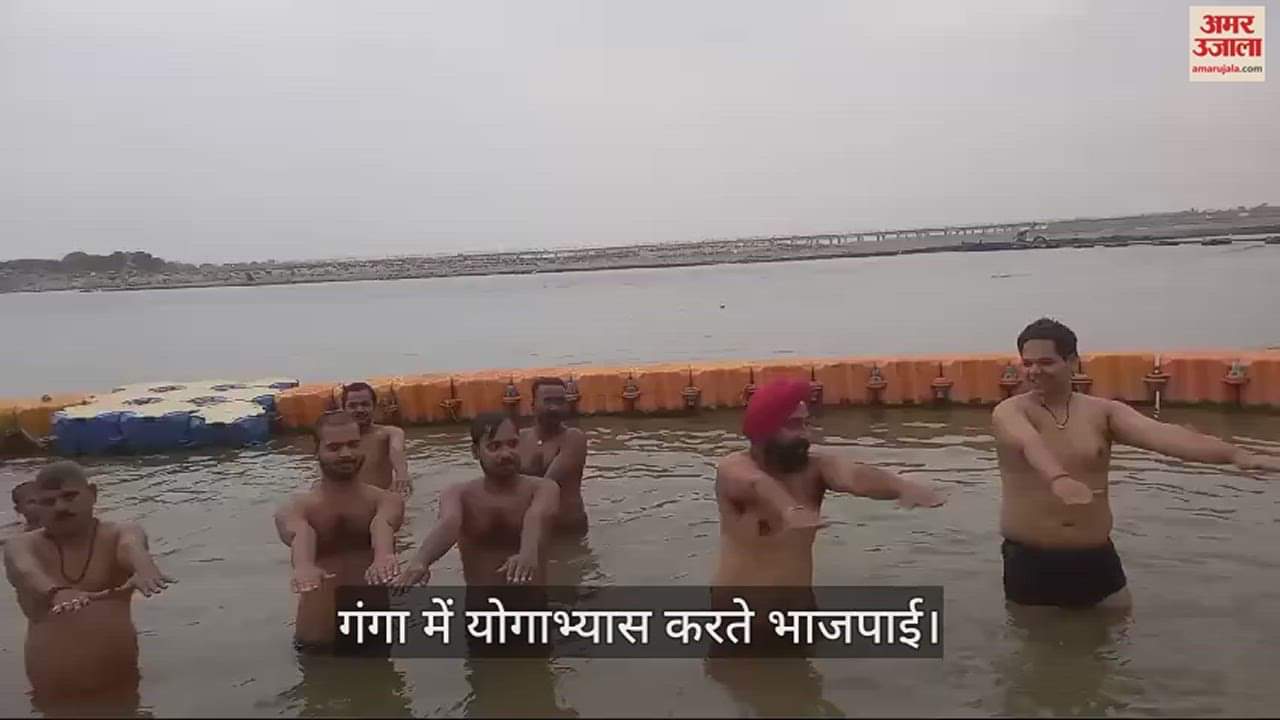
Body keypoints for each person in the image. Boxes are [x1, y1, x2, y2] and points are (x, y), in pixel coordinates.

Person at [993, 317, 1280, 610]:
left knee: (1119, 632)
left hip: (1096, 557)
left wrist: (1240, 456)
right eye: (1027, 364)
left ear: (1073, 362)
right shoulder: (1010, 411)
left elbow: (1164, 435)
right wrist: (1058, 478)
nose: (1034, 371)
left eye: (1046, 362)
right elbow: (1029, 442)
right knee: (1034, 637)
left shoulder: (1103, 412)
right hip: (1031, 559)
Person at [712, 379, 946, 619]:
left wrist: (901, 486)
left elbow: (853, 475)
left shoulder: (814, 469)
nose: (805, 434)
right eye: (794, 425)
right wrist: (790, 509)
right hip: (740, 613)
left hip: (800, 610)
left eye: (805, 423)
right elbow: (756, 483)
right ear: (765, 429)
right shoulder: (733, 467)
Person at [2, 461, 175, 703]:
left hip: (119, 682)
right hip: (54, 687)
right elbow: (26, 569)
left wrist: (145, 566)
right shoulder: (21, 545)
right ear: (37, 506)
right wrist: (56, 591)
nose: (60, 507)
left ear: (92, 493)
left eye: (69, 496)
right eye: (48, 502)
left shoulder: (119, 533)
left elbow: (131, 546)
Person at [274, 410, 406, 651]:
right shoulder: (297, 507)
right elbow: (301, 533)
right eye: (334, 448)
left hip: (372, 635)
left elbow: (382, 525)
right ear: (316, 450)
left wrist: (383, 556)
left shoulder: (386, 501)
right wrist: (304, 566)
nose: (346, 454)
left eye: (353, 445)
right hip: (317, 636)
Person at [394, 412, 560, 588]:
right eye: (494, 447)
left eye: (513, 444)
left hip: (532, 601)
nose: (506, 454)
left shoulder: (544, 488)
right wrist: (421, 561)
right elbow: (448, 523)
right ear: (475, 452)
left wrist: (528, 552)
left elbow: (537, 517)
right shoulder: (458, 494)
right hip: (480, 600)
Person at [517, 377, 589, 536]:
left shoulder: (573, 438)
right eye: (548, 401)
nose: (555, 407)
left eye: (560, 401)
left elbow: (546, 486)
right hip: (530, 527)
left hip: (566, 530)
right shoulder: (520, 438)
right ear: (533, 405)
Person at [339, 381, 412, 496]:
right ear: (343, 409)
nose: (359, 409)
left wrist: (402, 474)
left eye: (365, 404)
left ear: (374, 406)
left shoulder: (390, 433)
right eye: (352, 406)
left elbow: (397, 450)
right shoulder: (336, 440)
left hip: (381, 500)